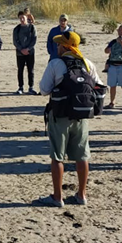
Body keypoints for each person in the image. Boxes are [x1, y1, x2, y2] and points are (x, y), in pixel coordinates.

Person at [38, 31, 104, 207]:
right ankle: (82, 195)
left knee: (57, 157)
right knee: (82, 156)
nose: (57, 47)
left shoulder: (56, 64)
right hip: (82, 115)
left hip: (60, 115)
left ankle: (57, 197)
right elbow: (99, 85)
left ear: (66, 46)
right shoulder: (87, 63)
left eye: (60, 44)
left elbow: (44, 89)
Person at [104, 24, 122, 109]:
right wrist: (112, 46)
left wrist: (121, 42)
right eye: (119, 30)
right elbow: (106, 51)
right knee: (112, 85)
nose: (120, 32)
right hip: (112, 65)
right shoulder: (113, 41)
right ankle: (112, 102)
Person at [13, 11, 38, 95]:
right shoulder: (17, 29)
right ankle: (20, 87)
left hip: (30, 53)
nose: (22, 19)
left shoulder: (32, 27)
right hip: (20, 53)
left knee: (30, 70)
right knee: (20, 70)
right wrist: (21, 49)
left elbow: (34, 39)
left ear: (27, 17)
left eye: (23, 17)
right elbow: (15, 41)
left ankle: (31, 87)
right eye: (20, 18)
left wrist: (28, 49)